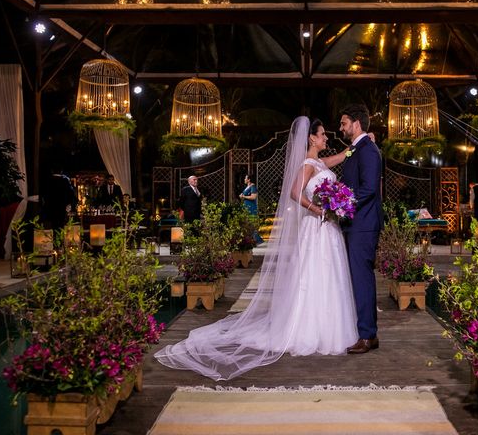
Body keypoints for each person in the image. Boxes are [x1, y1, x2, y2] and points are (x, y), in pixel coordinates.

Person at [155, 117, 358, 380]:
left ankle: (330, 324)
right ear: (312, 138)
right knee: (313, 273)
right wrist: (319, 209)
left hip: (327, 227)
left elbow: (340, 157)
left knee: (328, 275)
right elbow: (296, 193)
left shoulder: (320, 162)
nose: (326, 138)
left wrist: (360, 143)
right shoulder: (308, 164)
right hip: (315, 224)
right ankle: (307, 327)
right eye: (322, 135)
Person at [339, 103, 384, 355]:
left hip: (364, 225)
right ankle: (366, 332)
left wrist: (340, 203)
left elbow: (368, 189)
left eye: (344, 123)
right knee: (358, 280)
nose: (341, 128)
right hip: (356, 223)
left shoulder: (368, 150)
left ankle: (367, 336)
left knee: (362, 280)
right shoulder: (356, 149)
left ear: (356, 124)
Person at [239, 174, 263, 244]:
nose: (244, 179)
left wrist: (244, 196)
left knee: (252, 223)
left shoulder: (253, 187)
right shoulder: (248, 187)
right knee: (247, 223)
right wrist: (242, 196)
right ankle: (249, 239)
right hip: (246, 207)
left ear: (249, 180)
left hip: (251, 207)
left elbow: (253, 197)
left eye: (245, 178)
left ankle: (256, 239)